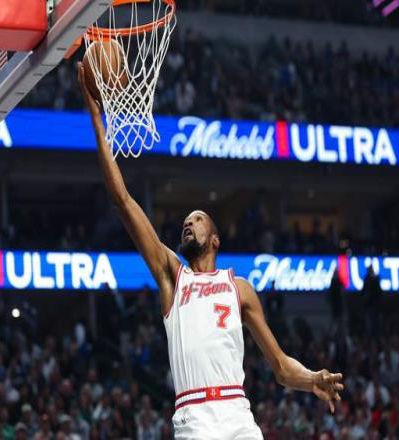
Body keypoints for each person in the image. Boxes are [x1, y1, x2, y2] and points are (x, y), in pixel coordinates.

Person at [77, 64, 344, 439]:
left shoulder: (240, 288)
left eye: (198, 219)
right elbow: (123, 200)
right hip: (195, 416)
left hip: (237, 413)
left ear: (216, 238)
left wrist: (311, 378)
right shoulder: (173, 276)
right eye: (186, 221)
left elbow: (282, 367)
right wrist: (96, 119)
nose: (189, 224)